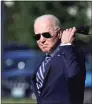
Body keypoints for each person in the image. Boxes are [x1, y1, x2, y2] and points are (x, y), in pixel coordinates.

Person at [31, 14, 86, 104]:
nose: (41, 40)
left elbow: (73, 75)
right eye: (37, 36)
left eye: (46, 34)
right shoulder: (45, 58)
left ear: (59, 33)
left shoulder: (72, 52)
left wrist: (67, 45)